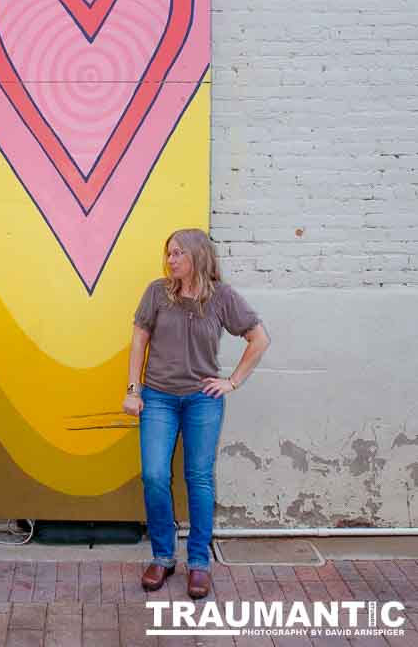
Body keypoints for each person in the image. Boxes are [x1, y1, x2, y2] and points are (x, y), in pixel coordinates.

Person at [123, 228, 270, 599]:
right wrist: (132, 389)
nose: (170, 260)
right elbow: (139, 338)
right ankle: (162, 556)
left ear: (197, 256)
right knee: (155, 475)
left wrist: (232, 382)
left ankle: (199, 563)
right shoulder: (158, 292)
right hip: (158, 397)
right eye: (168, 253)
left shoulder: (221, 297)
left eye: (177, 254)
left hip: (202, 400)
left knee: (199, 479)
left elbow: (259, 338)